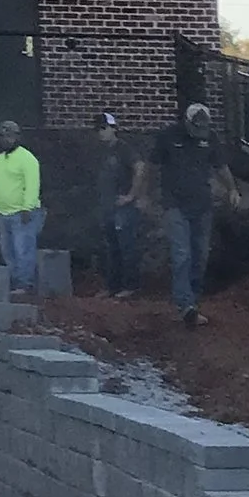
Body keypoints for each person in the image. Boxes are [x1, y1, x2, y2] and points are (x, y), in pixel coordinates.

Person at [155, 98, 221, 327]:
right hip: (174, 204)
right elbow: (150, 166)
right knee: (182, 253)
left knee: (200, 255)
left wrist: (232, 189)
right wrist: (143, 194)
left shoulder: (210, 138)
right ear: (187, 122)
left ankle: (192, 299)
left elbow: (220, 166)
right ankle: (185, 305)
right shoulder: (168, 137)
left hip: (202, 205)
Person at [0, 121, 43, 297]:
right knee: (8, 251)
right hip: (3, 214)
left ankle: (25, 285)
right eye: (2, 136)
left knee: (23, 250)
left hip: (22, 214)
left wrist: (27, 207)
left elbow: (32, 185)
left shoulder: (27, 158)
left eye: (9, 135)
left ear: (17, 137)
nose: (5, 139)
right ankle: (14, 284)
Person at [94, 111, 143, 296]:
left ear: (114, 128)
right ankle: (112, 286)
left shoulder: (124, 148)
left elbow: (140, 168)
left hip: (123, 207)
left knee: (126, 246)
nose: (100, 132)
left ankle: (130, 286)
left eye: (104, 128)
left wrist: (131, 196)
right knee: (111, 248)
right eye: (98, 129)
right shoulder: (102, 151)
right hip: (107, 206)